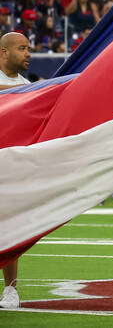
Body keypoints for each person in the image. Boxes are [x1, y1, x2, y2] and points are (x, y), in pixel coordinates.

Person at [0, 32, 32, 310]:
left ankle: (11, 290)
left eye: (28, 48)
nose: (27, 54)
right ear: (4, 52)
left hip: (9, 168)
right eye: (22, 49)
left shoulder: (26, 86)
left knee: (9, 229)